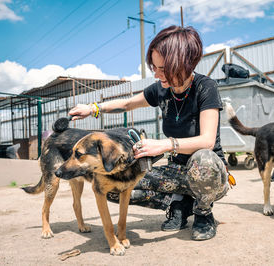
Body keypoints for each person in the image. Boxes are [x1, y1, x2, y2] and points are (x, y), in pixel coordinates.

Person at [69, 25, 229, 241]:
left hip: (209, 173)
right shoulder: (161, 89)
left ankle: (203, 212)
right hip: (177, 171)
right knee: (116, 184)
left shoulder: (205, 87)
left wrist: (164, 145)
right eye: (154, 67)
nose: (156, 73)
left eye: (163, 68)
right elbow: (127, 103)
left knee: (204, 159)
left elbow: (207, 141)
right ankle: (180, 203)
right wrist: (93, 108)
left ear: (184, 63)